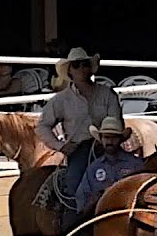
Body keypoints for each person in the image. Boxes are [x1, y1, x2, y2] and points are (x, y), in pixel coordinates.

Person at [35, 47, 122, 197]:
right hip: (79, 149)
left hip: (108, 146)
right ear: (70, 71)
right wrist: (61, 146)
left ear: (90, 68)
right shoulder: (61, 100)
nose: (81, 68)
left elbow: (116, 123)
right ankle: (75, 215)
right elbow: (42, 126)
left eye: (85, 64)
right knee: (74, 185)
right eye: (76, 65)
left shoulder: (107, 94)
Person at [66, 117, 146, 228]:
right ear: (101, 139)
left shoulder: (135, 165)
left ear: (120, 139)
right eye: (106, 137)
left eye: (114, 138)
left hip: (130, 219)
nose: (110, 142)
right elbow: (82, 197)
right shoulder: (94, 168)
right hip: (100, 219)